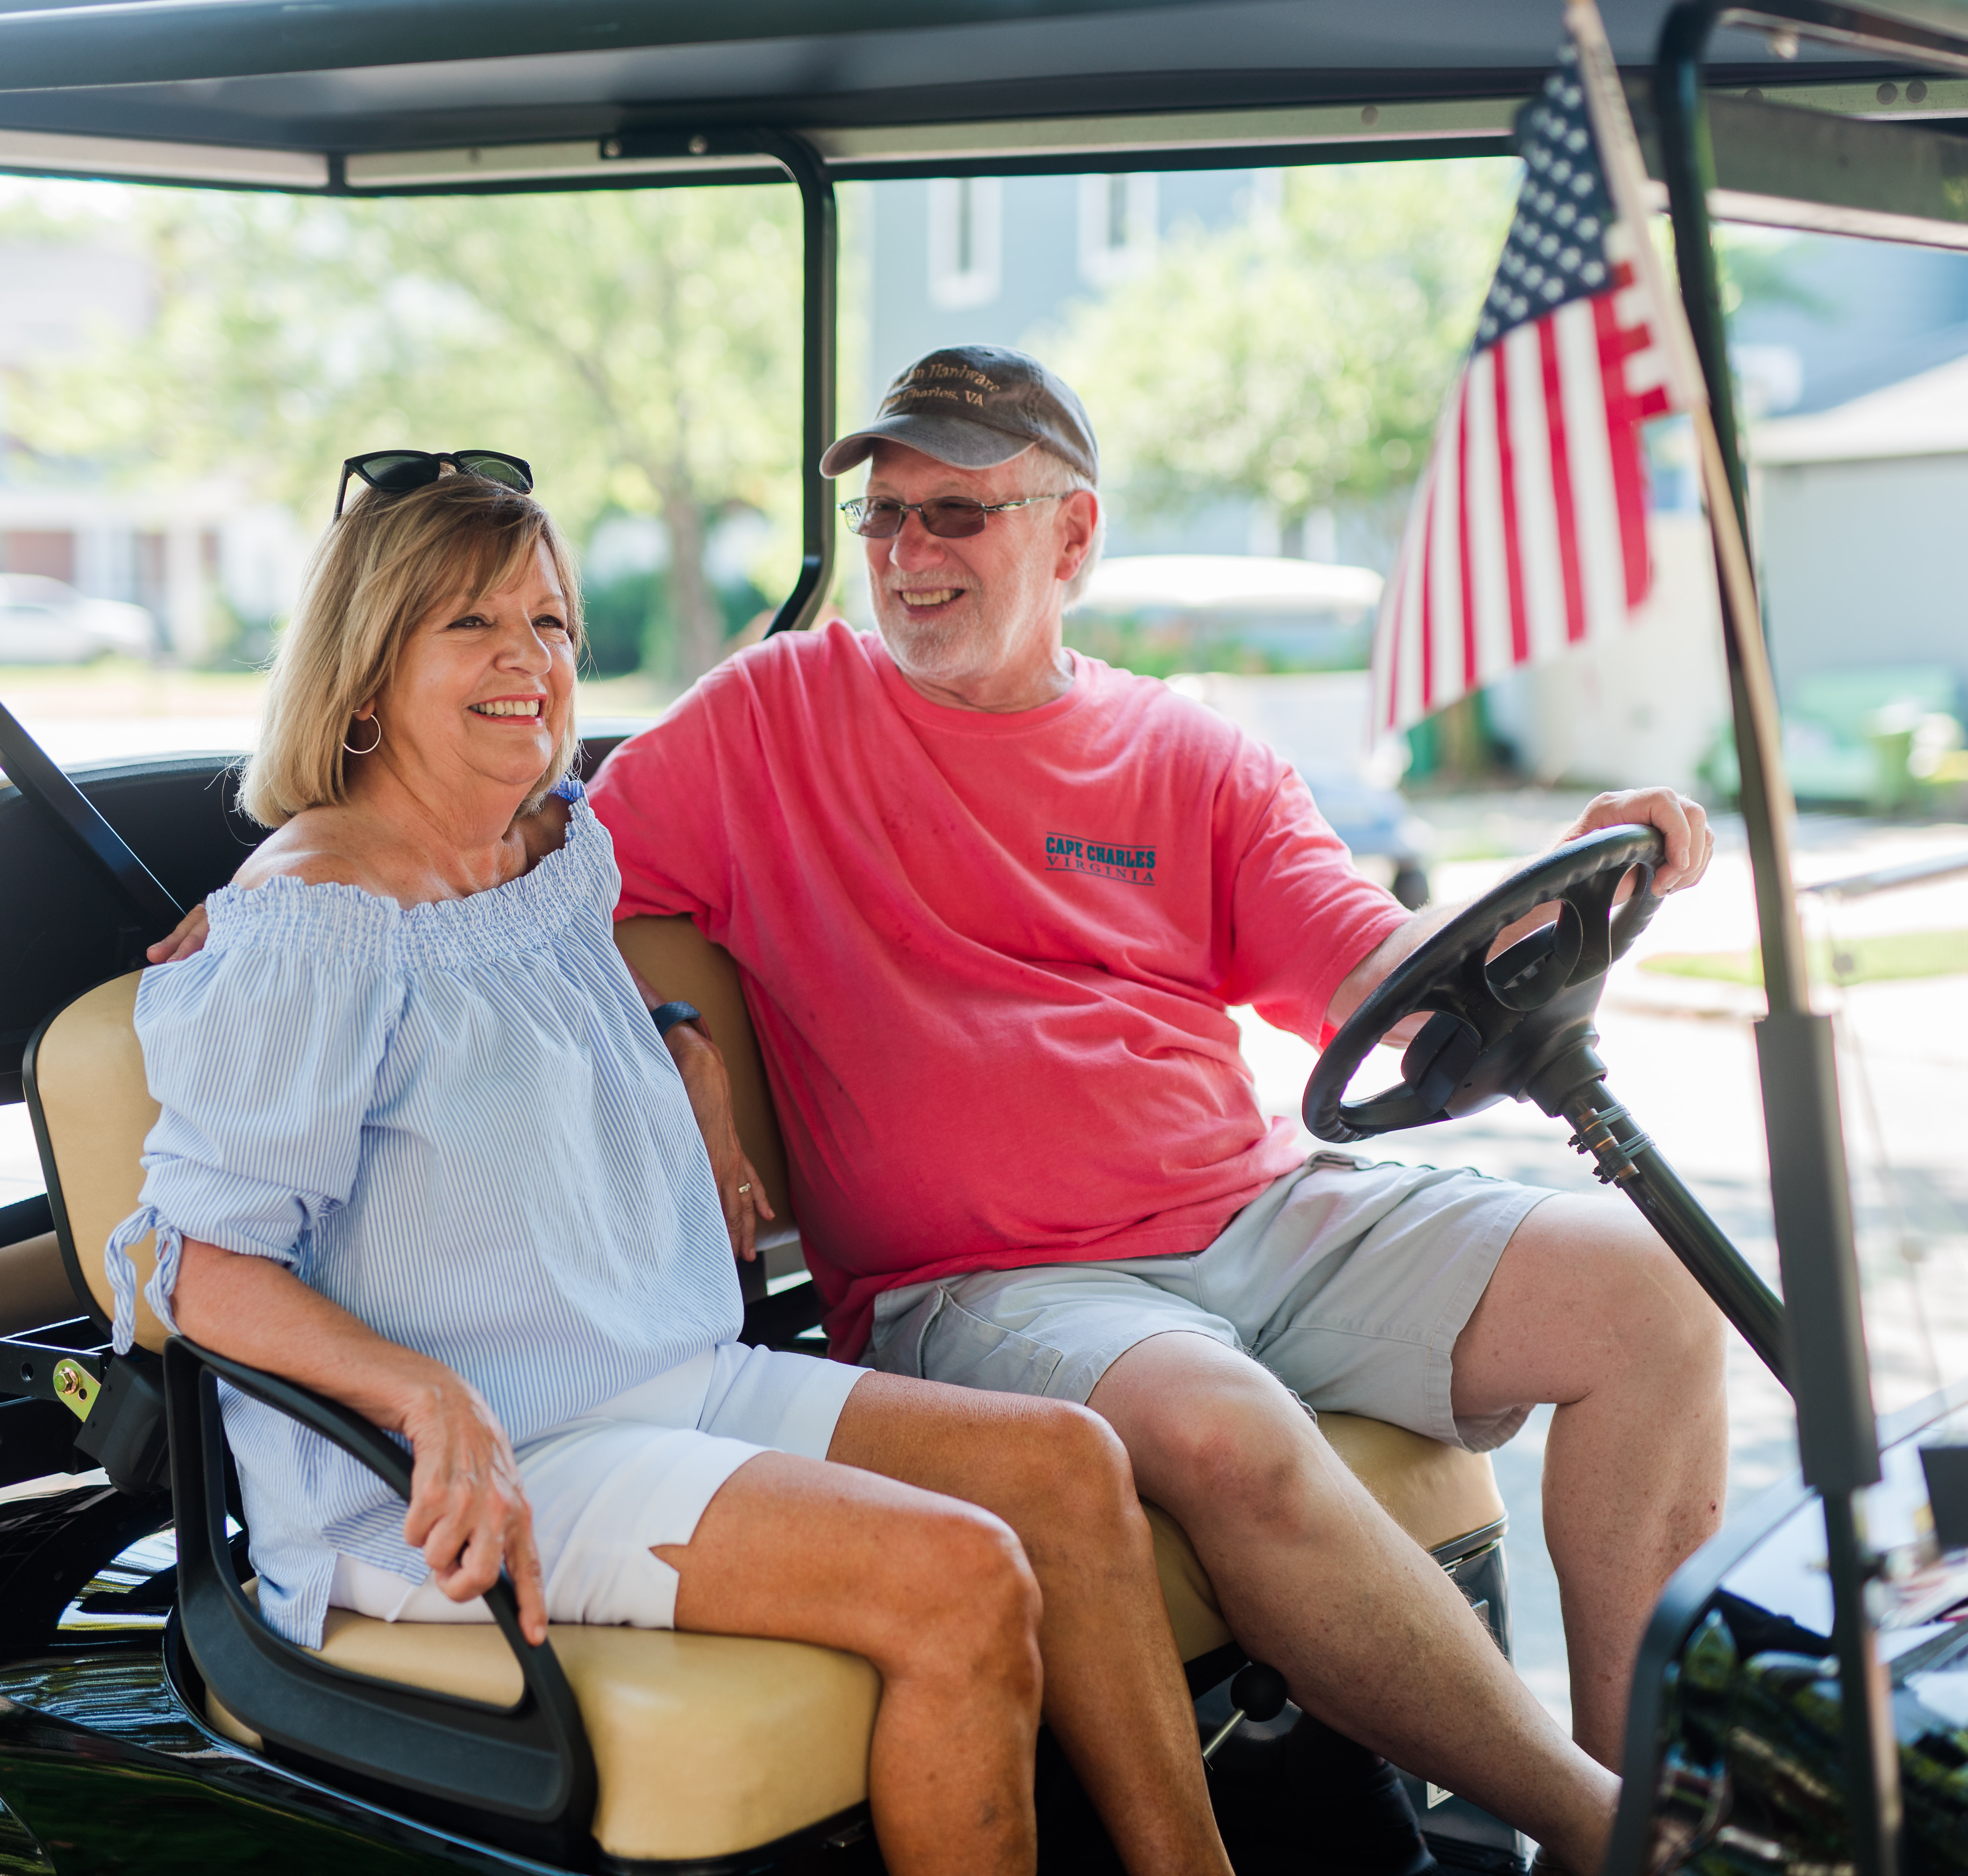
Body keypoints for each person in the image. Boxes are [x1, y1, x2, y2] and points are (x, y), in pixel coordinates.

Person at [587, 349, 1725, 1874]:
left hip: (1252, 1217)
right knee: (1224, 1430)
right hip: (986, 1284)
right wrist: (678, 1043)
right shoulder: (775, 716)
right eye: (886, 519)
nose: (909, 557)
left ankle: (1648, 1777)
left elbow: (1374, 963)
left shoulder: (1191, 753)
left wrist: (1565, 890)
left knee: (1651, 1291)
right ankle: (1612, 1842)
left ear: (1071, 539)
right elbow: (534, 880)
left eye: (958, 517)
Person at [111, 460, 1233, 1876]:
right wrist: (429, 1395)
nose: (531, 664)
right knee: (957, 1578)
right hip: (467, 1471)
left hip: (663, 1377)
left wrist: (681, 1040)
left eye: (553, 624)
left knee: (1070, 1467)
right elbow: (197, 1266)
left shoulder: (541, 850)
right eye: (472, 626)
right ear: (365, 674)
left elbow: (523, 1044)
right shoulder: (313, 922)